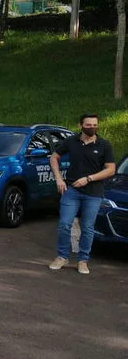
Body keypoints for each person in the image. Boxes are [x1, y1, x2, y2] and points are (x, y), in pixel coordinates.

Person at [49, 113, 116, 274]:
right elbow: (54, 157)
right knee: (64, 224)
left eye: (94, 125)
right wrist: (58, 179)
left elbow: (111, 169)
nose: (92, 127)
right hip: (71, 190)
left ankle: (83, 260)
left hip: (93, 192)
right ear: (81, 126)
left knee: (87, 227)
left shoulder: (104, 145)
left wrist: (88, 179)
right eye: (88, 125)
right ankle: (62, 256)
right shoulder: (71, 141)